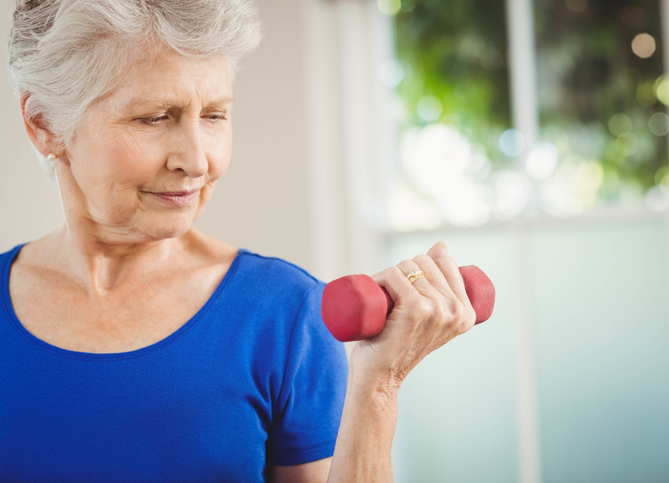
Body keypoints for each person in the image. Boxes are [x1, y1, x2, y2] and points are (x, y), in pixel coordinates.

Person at [0, 0, 477, 481]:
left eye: (213, 115)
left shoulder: (285, 314)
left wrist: (379, 386)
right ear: (43, 123)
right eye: (154, 117)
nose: (197, 160)